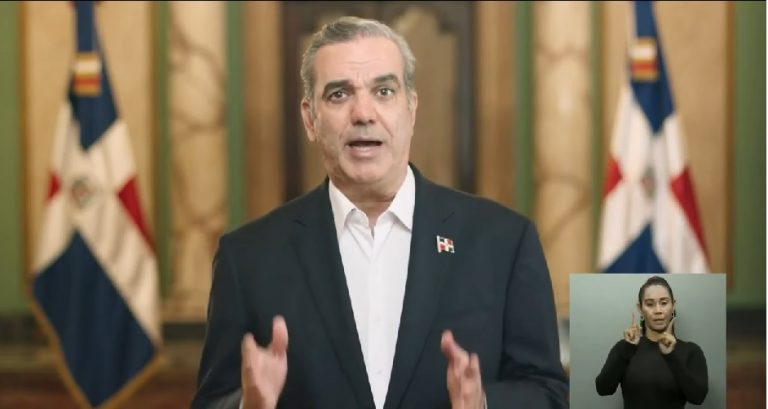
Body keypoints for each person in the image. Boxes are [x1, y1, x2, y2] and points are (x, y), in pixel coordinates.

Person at [191, 16, 567, 409]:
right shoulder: (249, 257)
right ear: (310, 119)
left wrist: (484, 403)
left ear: (412, 109)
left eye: (384, 91)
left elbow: (549, 393)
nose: (363, 113)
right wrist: (249, 405)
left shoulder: (503, 242)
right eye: (339, 94)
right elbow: (212, 401)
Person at [595, 276, 708, 409]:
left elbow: (698, 397)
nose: (658, 310)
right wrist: (627, 349)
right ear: (640, 308)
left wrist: (671, 355)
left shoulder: (691, 351)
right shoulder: (624, 348)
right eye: (650, 304)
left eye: (664, 303)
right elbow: (603, 389)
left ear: (673, 305)